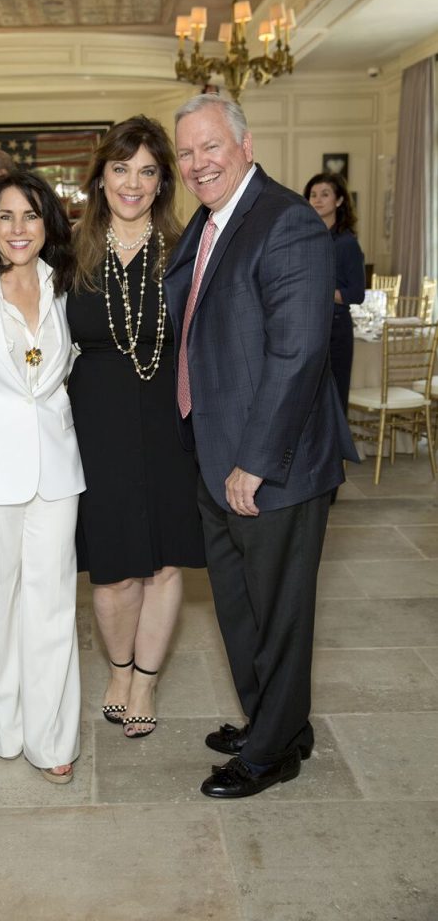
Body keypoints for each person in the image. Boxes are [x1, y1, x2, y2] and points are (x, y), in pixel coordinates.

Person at [165, 93, 358, 799]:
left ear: (244, 144)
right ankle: (276, 723)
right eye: (185, 153)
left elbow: (300, 351)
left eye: (209, 147)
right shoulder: (213, 220)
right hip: (215, 453)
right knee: (241, 607)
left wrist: (256, 459)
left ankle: (271, 752)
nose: (196, 163)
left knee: (278, 611)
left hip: (268, 465)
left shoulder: (288, 222)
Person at [67, 116, 205, 739]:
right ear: (100, 178)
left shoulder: (185, 250)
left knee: (168, 563)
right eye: (121, 168)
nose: (132, 183)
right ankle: (118, 668)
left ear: (162, 183)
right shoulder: (66, 253)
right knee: (115, 568)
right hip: (95, 426)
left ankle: (145, 679)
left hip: (169, 423)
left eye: (147, 171)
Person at [0, 170, 84, 783]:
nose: (17, 229)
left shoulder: (66, 284)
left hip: (58, 467)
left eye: (30, 216)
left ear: (47, 223)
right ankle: (1, 727)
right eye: (5, 216)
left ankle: (52, 735)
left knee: (54, 601)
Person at [304, 172, 366, 414]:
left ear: (339, 201)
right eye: (313, 195)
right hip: (309, 326)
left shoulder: (347, 243)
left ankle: (335, 452)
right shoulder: (306, 238)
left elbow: (357, 293)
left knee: (335, 401)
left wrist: (321, 289)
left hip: (336, 328)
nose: (317, 200)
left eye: (325, 194)